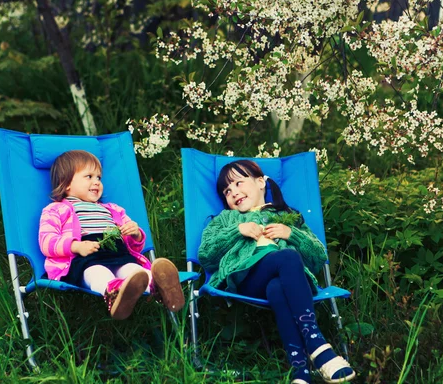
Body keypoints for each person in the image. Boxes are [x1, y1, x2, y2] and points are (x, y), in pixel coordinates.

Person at [198, 160, 355, 384]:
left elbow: (318, 256)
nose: (233, 193)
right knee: (288, 257)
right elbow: (206, 255)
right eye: (227, 191)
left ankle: (300, 373)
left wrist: (292, 234)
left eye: (239, 183)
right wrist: (237, 231)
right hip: (247, 279)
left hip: (286, 283)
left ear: (261, 182)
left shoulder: (287, 215)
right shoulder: (227, 219)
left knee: (278, 287)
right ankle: (317, 345)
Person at [39, 150, 185, 320]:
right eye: (89, 176)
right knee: (97, 273)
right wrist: (75, 246)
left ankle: (159, 287)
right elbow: (46, 241)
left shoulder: (112, 209)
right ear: (66, 184)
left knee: (135, 271)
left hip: (118, 254)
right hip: (84, 259)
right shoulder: (56, 209)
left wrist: (135, 234)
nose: (97, 182)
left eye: (99, 178)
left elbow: (133, 246)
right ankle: (115, 294)